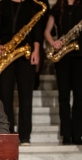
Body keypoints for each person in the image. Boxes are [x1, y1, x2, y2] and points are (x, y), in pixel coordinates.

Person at [0, 0, 42, 145]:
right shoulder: (2, 4)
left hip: (25, 55)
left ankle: (25, 136)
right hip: (6, 54)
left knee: (26, 95)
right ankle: (8, 133)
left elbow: (37, 31)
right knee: (5, 95)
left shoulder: (32, 5)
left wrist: (36, 51)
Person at [44, 0, 82, 145]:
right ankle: (66, 134)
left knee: (79, 97)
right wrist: (53, 42)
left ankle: (78, 134)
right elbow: (47, 31)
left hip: (80, 56)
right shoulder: (58, 7)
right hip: (63, 57)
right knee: (64, 97)